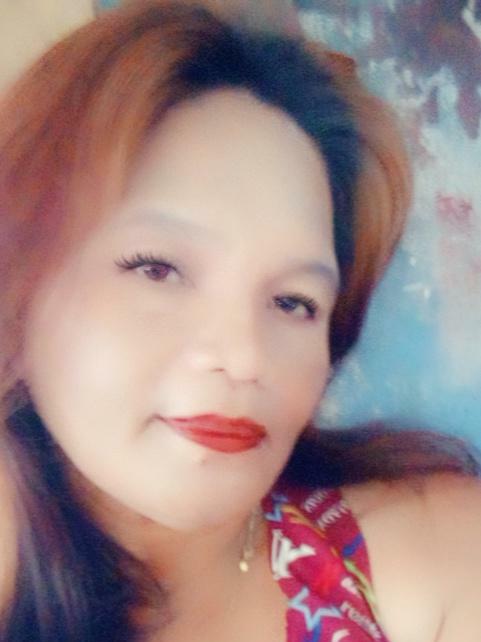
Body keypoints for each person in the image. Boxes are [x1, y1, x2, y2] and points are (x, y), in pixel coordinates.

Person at [0, 1, 480, 641]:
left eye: (293, 302)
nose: (245, 356)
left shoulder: (432, 556)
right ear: (20, 290)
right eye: (157, 268)